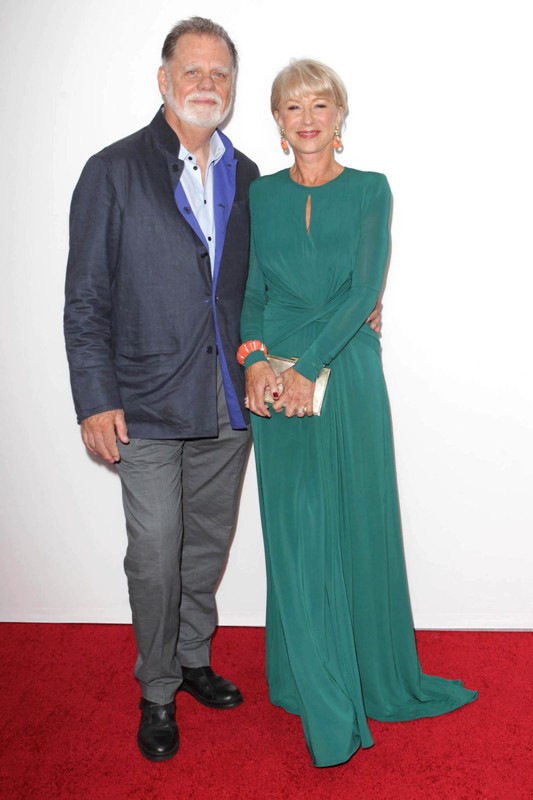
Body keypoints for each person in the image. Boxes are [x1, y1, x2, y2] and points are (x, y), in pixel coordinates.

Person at [240, 59, 477, 768]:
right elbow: (250, 293)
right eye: (292, 107)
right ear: (277, 122)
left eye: (320, 105)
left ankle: (370, 674)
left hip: (344, 369)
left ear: (340, 115)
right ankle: (307, 678)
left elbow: (363, 290)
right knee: (295, 530)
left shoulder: (372, 189)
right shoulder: (260, 194)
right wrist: (256, 362)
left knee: (353, 518)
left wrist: (306, 367)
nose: (307, 119)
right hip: (274, 380)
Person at [63, 17, 260, 762]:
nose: (207, 84)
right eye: (192, 70)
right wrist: (94, 398)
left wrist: (353, 300)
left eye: (220, 73)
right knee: (154, 552)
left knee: (205, 545)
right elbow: (85, 297)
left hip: (225, 400)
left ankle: (193, 657)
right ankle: (157, 690)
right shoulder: (112, 170)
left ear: (232, 86)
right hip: (141, 403)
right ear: (163, 80)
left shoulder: (250, 178)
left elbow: (268, 283)